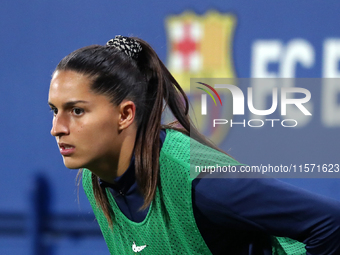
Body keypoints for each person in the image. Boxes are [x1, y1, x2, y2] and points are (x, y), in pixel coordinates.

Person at [48, 35, 340, 255]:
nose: (57, 129)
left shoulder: (199, 181)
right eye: (54, 110)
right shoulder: (96, 178)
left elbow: (331, 223)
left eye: (76, 111)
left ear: (125, 114)